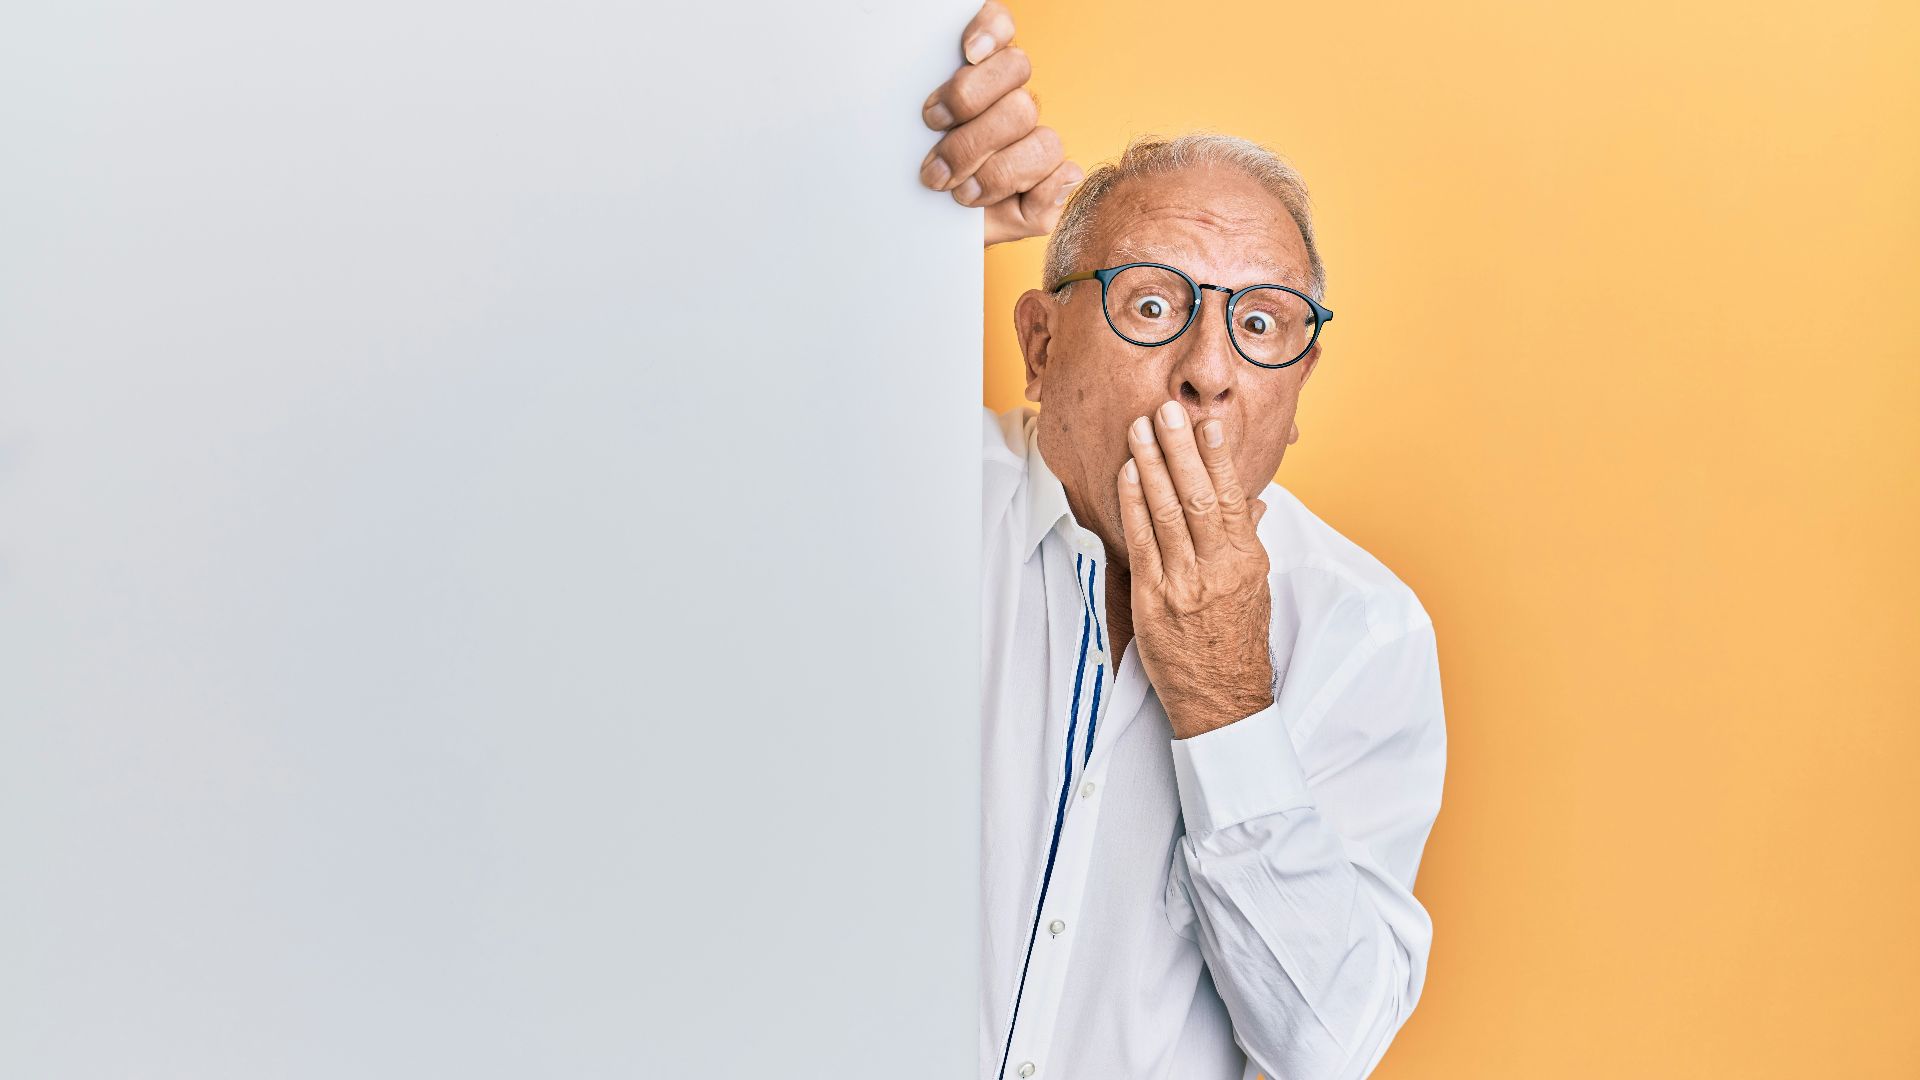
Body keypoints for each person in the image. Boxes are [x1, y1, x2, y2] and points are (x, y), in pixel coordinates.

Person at [920, 6, 1447, 1079]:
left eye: (1261, 325)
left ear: (1295, 398)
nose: (1209, 369)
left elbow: (1325, 1046)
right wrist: (872, 208)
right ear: (1039, 342)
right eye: (1153, 303)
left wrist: (1224, 700)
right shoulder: (909, 504)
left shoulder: (1364, 633)